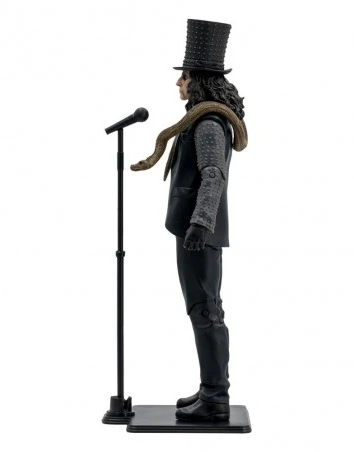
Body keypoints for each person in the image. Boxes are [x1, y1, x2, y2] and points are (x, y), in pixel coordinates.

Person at [131, 19, 247, 421]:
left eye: (183, 76)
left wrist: (199, 223)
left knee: (205, 310)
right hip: (195, 231)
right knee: (204, 308)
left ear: (197, 80)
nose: (178, 83)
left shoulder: (208, 123)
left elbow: (213, 175)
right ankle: (210, 389)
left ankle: (215, 398)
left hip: (199, 234)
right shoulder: (200, 119)